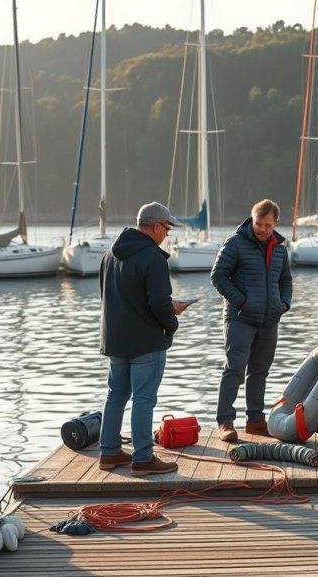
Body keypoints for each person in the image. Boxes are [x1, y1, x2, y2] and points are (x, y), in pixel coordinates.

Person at [98, 202, 191, 475]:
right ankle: (142, 458)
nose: (167, 234)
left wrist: (164, 307)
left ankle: (109, 452)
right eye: (167, 228)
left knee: (116, 394)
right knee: (143, 398)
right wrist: (172, 321)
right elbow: (159, 304)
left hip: (115, 339)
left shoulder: (109, 254)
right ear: (155, 226)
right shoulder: (152, 257)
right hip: (146, 342)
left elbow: (111, 296)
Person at [211, 199, 292, 442]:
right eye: (259, 224)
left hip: (269, 319)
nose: (263, 229)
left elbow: (286, 280)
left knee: (260, 371)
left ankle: (255, 420)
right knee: (235, 369)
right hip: (240, 318)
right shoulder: (235, 243)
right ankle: (225, 421)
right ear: (252, 219)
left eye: (268, 225)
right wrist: (242, 301)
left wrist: (284, 304)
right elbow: (218, 276)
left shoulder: (279, 248)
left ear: (275, 223)